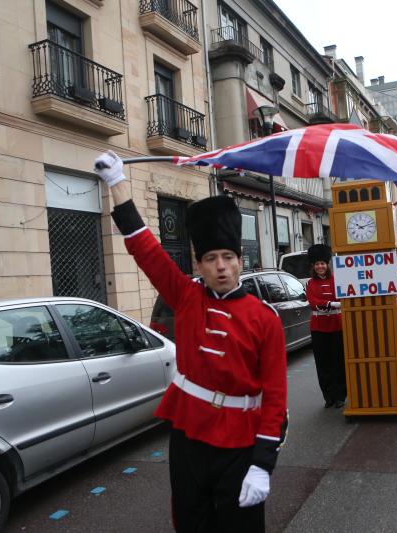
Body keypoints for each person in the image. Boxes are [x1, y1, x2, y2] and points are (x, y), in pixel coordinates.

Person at [94, 151, 287, 532]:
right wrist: (116, 184)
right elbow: (146, 250)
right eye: (211, 258)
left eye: (228, 257)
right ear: (199, 265)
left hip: (240, 442)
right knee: (190, 521)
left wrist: (263, 464)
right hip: (188, 435)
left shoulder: (265, 319)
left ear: (240, 262)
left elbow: (276, 398)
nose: (220, 266)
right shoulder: (184, 295)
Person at [306, 244, 346, 409]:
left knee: (338, 362)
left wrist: (334, 304)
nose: (320, 267)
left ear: (327, 265)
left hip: (336, 325)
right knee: (323, 364)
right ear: (313, 267)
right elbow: (313, 303)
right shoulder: (310, 284)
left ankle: (340, 396)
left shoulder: (337, 280)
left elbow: (342, 298)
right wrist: (330, 303)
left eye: (322, 263)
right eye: (317, 264)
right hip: (319, 328)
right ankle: (328, 396)